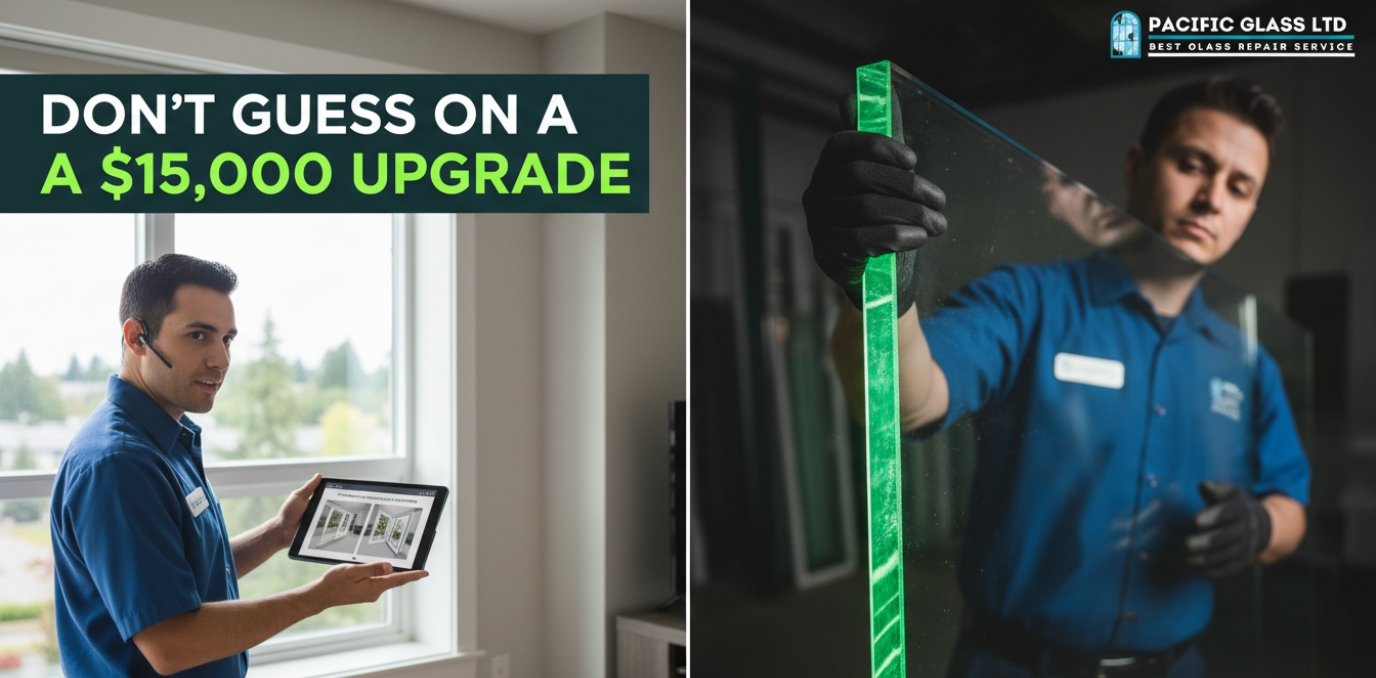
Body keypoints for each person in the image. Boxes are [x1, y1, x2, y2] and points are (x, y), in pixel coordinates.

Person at [804, 76, 1310, 677]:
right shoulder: (1030, 302)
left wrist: (1259, 526)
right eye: (1193, 165)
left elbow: (1291, 509)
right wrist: (878, 284)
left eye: (1239, 187)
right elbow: (908, 400)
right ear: (1136, 165)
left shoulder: (1247, 364)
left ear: (1251, 208)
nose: (1212, 199)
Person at [49, 253, 427, 677]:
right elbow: (170, 643)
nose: (221, 360)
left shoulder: (166, 440)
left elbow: (182, 578)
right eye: (198, 336)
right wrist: (317, 597)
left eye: (227, 339)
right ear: (137, 338)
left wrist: (278, 534)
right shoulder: (120, 464)